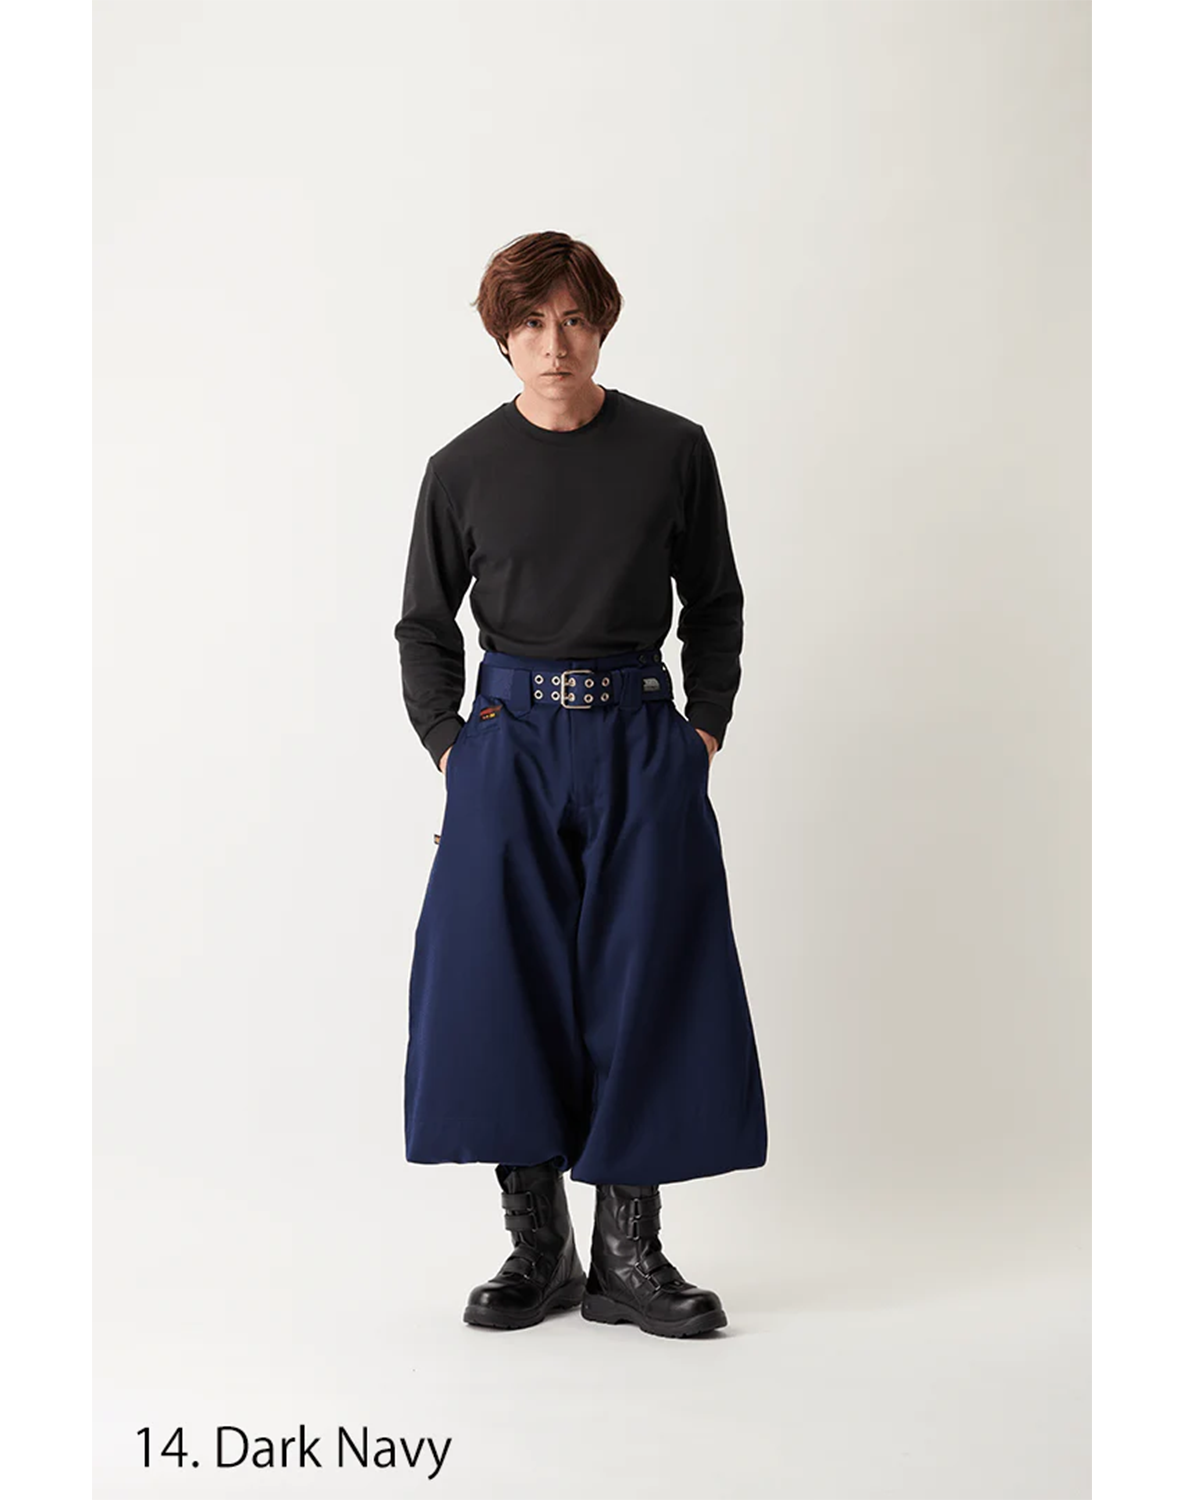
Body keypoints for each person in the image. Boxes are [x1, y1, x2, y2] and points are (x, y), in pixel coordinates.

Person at [395, 229, 767, 1338]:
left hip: (640, 736)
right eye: (530, 322)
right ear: (501, 337)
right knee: (496, 982)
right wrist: (451, 746)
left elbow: (715, 601)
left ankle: (627, 1255)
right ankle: (539, 1249)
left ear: (600, 326)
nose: (553, 343)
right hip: (506, 741)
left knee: (647, 980)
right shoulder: (460, 468)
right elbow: (424, 625)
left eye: (572, 319)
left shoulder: (672, 450)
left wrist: (702, 730)